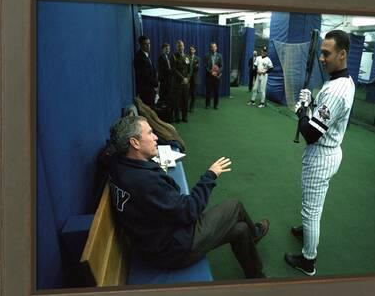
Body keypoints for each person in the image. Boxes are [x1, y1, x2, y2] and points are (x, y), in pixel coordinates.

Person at [108, 115, 270, 279]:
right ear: (134, 143)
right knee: (234, 206)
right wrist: (210, 175)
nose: (156, 137)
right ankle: (255, 234)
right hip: (172, 250)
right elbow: (189, 210)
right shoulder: (146, 182)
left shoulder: (117, 163)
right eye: (150, 133)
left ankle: (256, 275)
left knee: (240, 230)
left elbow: (108, 153)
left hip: (155, 241)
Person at [285, 30, 356, 276]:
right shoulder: (340, 81)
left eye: (327, 53)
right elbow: (323, 116)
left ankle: (308, 260)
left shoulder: (337, 89)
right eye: (322, 53)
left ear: (343, 54)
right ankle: (306, 230)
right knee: (313, 205)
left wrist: (303, 110)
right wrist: (312, 102)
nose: (322, 58)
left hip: (321, 155)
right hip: (328, 151)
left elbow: (311, 133)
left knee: (311, 211)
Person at [134, 35, 158, 108]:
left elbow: (152, 71)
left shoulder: (146, 56)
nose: (148, 46)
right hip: (146, 92)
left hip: (150, 90)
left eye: (149, 43)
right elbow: (146, 76)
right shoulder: (140, 57)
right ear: (141, 45)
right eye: (146, 44)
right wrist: (156, 84)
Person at [171, 40, 191, 123]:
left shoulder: (187, 57)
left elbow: (190, 69)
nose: (181, 47)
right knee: (177, 101)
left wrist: (187, 78)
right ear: (177, 47)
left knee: (185, 100)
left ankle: (184, 117)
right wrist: (183, 78)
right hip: (177, 83)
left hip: (186, 83)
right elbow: (174, 69)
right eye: (179, 46)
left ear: (184, 46)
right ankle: (177, 118)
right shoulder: (173, 56)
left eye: (182, 45)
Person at [204, 42, 224, 109]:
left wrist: (217, 72)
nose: (213, 48)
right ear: (210, 48)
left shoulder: (220, 56)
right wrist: (211, 72)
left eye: (214, 47)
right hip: (209, 76)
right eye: (212, 47)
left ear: (216, 47)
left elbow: (221, 66)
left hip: (217, 77)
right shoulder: (207, 56)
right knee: (208, 91)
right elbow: (205, 66)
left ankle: (216, 105)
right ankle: (207, 104)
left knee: (216, 92)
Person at [157, 43, 173, 108]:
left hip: (169, 79)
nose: (168, 50)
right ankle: (163, 106)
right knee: (163, 93)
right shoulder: (161, 57)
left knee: (168, 94)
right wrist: (171, 71)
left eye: (169, 49)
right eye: (166, 49)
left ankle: (168, 106)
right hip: (164, 79)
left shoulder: (169, 57)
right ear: (163, 49)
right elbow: (163, 69)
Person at [188, 45, 200, 112]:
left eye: (192, 49)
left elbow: (198, 68)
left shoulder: (197, 58)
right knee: (186, 93)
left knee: (193, 94)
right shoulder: (186, 57)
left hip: (194, 78)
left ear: (194, 51)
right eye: (190, 49)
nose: (191, 51)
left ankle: (192, 107)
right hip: (187, 78)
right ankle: (185, 106)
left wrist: (196, 66)